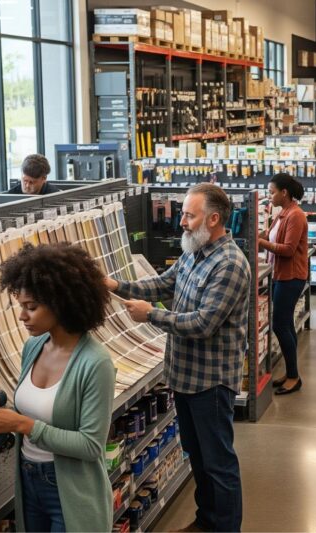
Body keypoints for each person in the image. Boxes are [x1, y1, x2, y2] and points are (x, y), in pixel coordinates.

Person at [107, 183, 249, 532]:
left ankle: (225, 528)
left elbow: (203, 323)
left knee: (218, 463)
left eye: (189, 215)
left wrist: (150, 315)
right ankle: (206, 522)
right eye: (183, 214)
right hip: (185, 377)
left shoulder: (229, 264)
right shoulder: (193, 253)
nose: (181, 222)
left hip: (210, 383)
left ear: (213, 219)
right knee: (198, 457)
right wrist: (116, 286)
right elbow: (161, 285)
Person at [0, 242, 116, 532]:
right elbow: (37, 410)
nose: (22, 316)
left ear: (61, 304)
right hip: (28, 481)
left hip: (71, 491)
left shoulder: (95, 363)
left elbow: (91, 445)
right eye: (21, 307)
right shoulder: (34, 346)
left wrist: (22, 425)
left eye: (32, 307)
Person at [257, 173, 309, 395]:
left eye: (272, 192)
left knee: (279, 324)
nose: (270, 196)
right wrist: (257, 235)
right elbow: (269, 235)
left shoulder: (295, 215)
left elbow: (288, 250)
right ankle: (290, 373)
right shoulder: (282, 213)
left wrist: (261, 242)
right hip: (280, 275)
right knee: (285, 323)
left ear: (284, 192)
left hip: (291, 277)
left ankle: (294, 377)